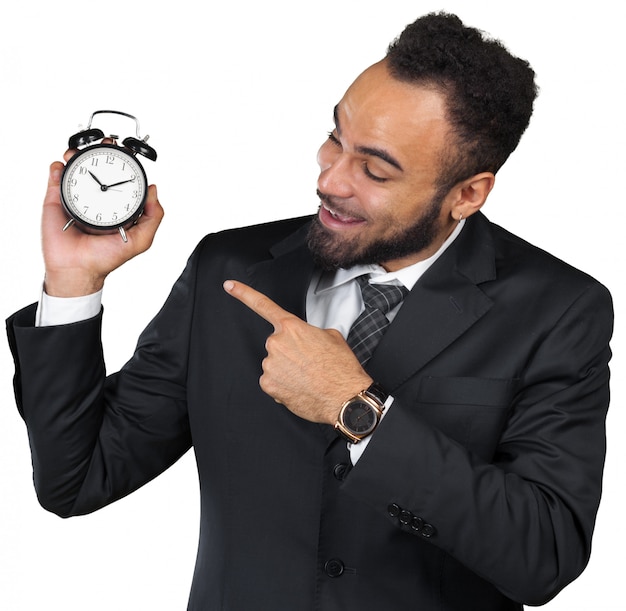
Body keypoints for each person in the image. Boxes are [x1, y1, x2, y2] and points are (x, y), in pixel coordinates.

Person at [6, 11, 613, 611]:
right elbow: (76, 478)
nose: (331, 179)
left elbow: (544, 557)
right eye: (335, 139)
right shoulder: (231, 269)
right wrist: (72, 281)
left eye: (375, 169)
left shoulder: (560, 310)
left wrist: (357, 410)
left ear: (468, 194)